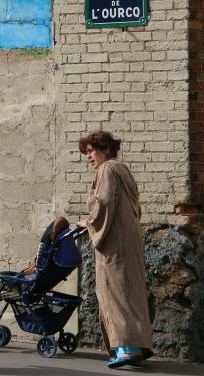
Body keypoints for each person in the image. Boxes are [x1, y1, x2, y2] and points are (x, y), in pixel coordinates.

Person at [76, 130, 153, 369]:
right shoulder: (123, 169)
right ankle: (138, 346)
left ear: (106, 149)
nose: (89, 157)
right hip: (128, 242)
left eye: (91, 151)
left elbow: (104, 203)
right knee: (131, 292)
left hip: (114, 244)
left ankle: (126, 349)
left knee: (115, 293)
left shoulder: (107, 169)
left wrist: (88, 223)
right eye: (86, 152)